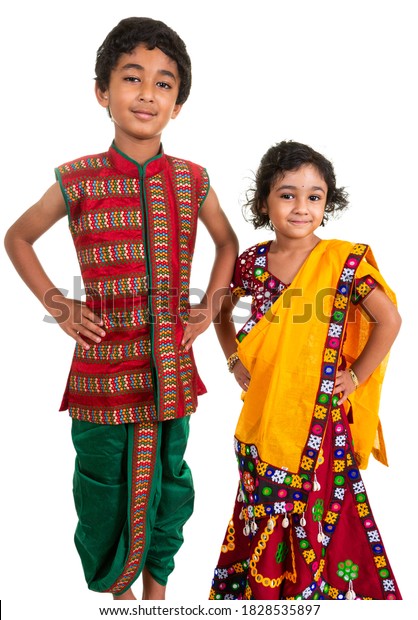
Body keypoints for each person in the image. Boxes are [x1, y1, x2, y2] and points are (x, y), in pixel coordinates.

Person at [4, 17, 238, 601]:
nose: (147, 93)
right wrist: (59, 307)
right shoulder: (78, 177)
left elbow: (227, 243)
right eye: (132, 78)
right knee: (101, 484)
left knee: (172, 479)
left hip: (171, 365)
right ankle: (119, 596)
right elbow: (18, 237)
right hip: (103, 367)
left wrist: (208, 310)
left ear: (177, 104)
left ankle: (157, 591)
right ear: (103, 92)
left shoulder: (190, 180)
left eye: (164, 83)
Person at [209, 140, 402, 601]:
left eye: (314, 196)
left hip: (321, 417)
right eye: (287, 194)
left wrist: (354, 377)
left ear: (328, 204)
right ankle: (264, 594)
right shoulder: (252, 263)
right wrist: (233, 359)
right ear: (263, 203)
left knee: (318, 511)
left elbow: (389, 320)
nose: (301, 207)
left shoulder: (341, 262)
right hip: (266, 411)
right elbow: (220, 311)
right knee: (265, 504)